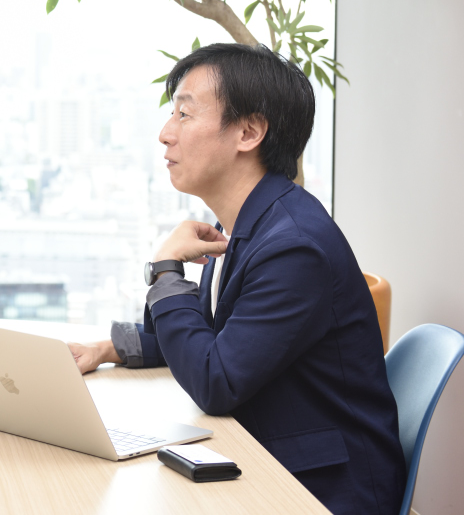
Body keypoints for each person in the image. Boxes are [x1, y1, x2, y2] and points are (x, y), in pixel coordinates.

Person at [67, 44, 404, 515]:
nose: (166, 134)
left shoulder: (294, 247)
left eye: (184, 114)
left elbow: (216, 379)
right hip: (271, 459)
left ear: (248, 132)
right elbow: (227, 338)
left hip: (321, 490)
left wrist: (167, 272)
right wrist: (109, 350)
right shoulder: (251, 223)